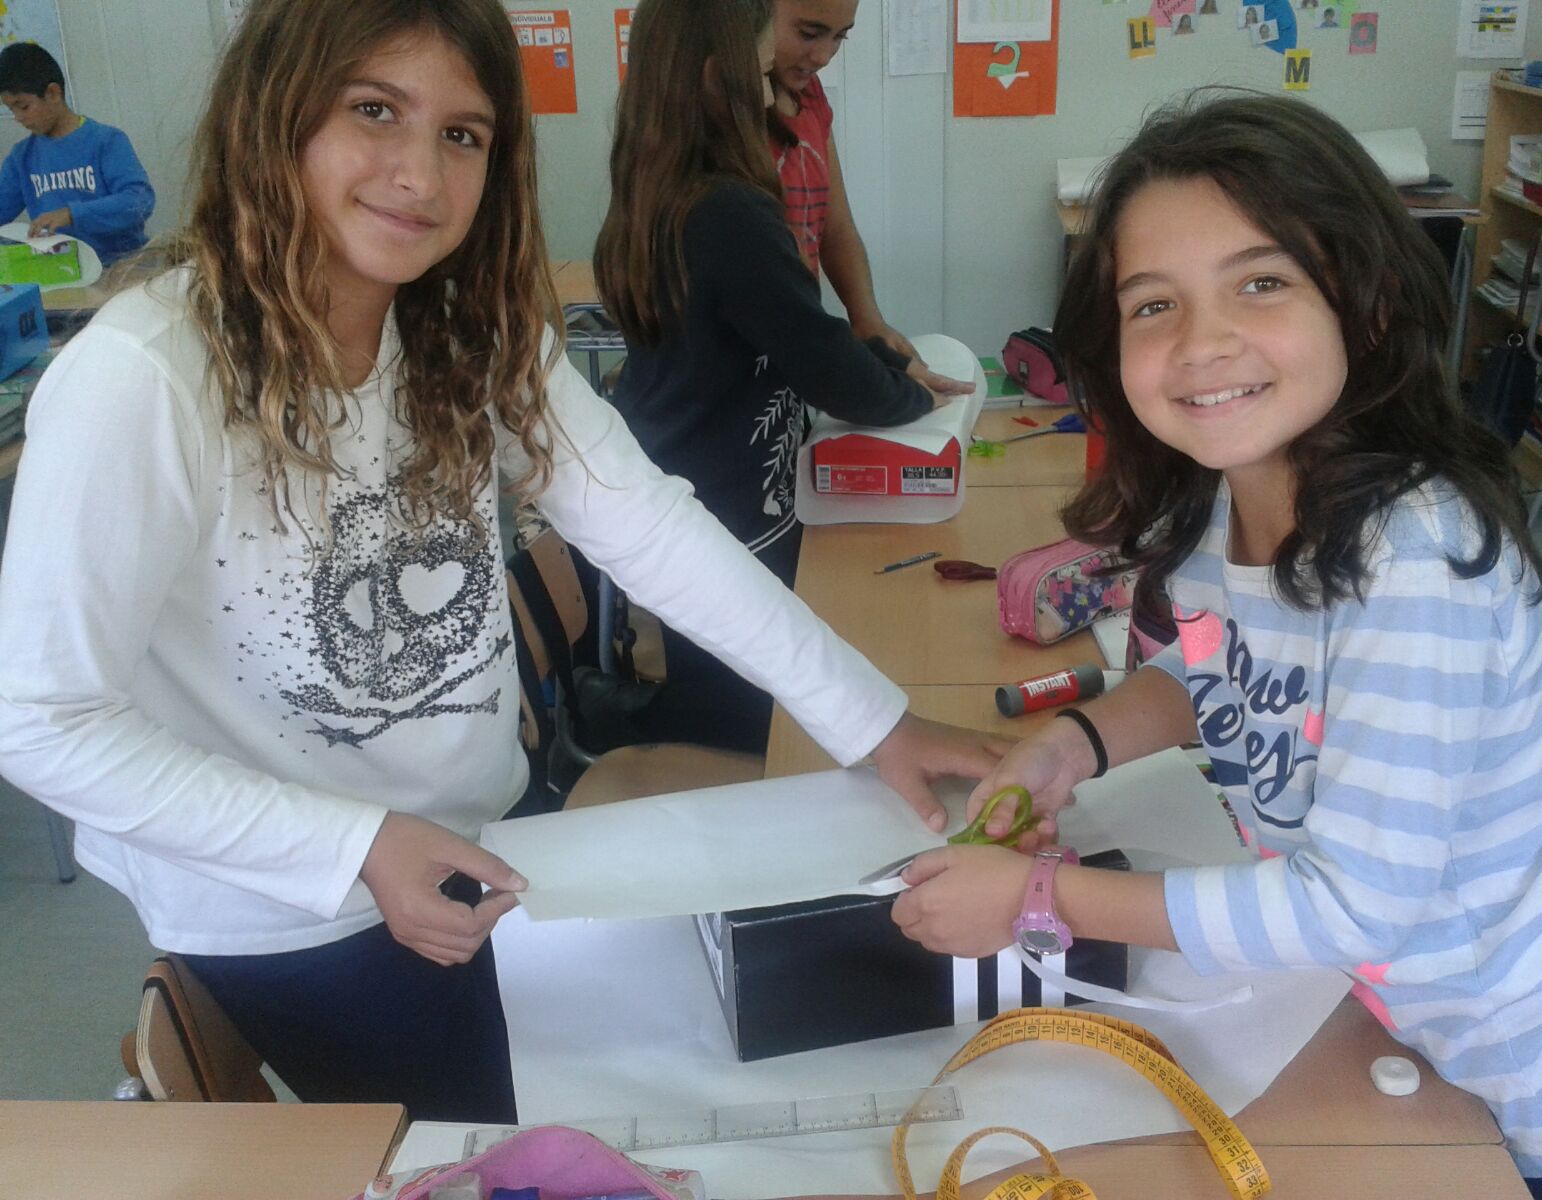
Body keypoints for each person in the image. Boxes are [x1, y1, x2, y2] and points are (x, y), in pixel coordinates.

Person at [0, 0, 1002, 1125]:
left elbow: (644, 523)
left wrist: (873, 719)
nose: (420, 175)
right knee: (645, 1128)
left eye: (462, 135)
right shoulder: (146, 374)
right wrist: (355, 845)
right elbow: (41, 721)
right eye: (374, 111)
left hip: (491, 830)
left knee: (818, 1039)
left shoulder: (460, 321)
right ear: (275, 115)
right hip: (301, 909)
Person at [890, 93, 1542, 1196]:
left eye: (1260, 283)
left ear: (1365, 302)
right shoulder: (1231, 498)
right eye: (1153, 304)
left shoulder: (1416, 567)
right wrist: (1068, 746)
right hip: (1390, 1014)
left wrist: (1037, 900)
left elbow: (1349, 905)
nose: (1201, 342)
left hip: (1531, 1066)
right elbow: (1218, 667)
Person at [594, 0, 973, 754]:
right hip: (716, 491)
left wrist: (876, 354)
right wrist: (910, 395)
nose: (783, 92)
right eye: (766, 71)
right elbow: (822, 361)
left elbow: (795, 333)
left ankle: (649, 711)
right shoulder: (727, 210)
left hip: (695, 463)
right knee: (748, 705)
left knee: (735, 658)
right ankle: (633, 722)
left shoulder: (669, 182)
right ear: (719, 77)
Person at [767, 0, 919, 362]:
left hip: (795, 343)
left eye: (840, 37)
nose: (824, 56)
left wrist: (868, 320)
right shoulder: (722, 115)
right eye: (809, 33)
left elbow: (836, 228)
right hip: (746, 347)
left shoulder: (810, 95)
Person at [0, 42, 153, 263]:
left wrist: (72, 214)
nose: (18, 117)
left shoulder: (106, 141)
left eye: (23, 106)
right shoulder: (21, 157)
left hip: (120, 267)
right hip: (62, 272)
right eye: (11, 109)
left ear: (53, 93)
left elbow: (140, 201)